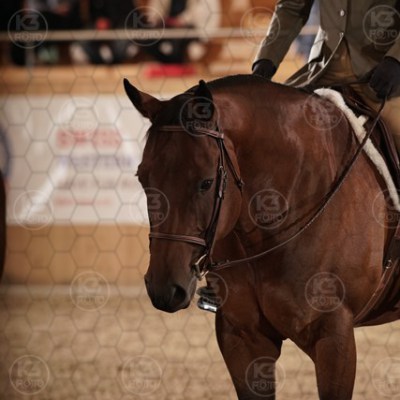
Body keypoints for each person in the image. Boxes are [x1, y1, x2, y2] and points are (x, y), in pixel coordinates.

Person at [252, 1, 400, 152]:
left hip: (381, 73)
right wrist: (267, 58)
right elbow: (292, 7)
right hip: (323, 68)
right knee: (272, 122)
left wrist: (396, 59)